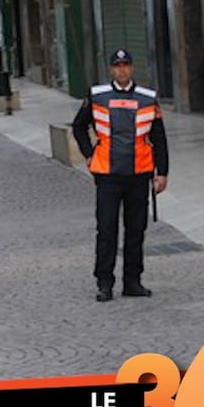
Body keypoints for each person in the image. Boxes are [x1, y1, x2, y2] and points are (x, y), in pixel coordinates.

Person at [71, 49, 169, 303]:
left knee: (136, 230)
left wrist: (163, 172)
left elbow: (159, 137)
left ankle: (132, 282)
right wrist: (89, 154)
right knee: (107, 230)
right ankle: (104, 283)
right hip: (108, 175)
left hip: (139, 174)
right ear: (111, 69)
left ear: (132, 68)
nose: (122, 70)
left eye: (126, 65)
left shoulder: (148, 98)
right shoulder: (97, 96)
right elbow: (79, 126)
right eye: (118, 66)